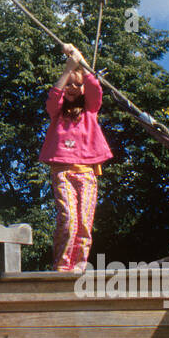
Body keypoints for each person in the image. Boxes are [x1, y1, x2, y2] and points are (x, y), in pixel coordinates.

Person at [40, 43, 112, 272]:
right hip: (63, 171)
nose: (71, 87)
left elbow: (94, 88)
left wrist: (81, 62)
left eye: (76, 84)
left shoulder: (91, 110)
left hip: (87, 172)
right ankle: (61, 265)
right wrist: (67, 69)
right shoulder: (57, 112)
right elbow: (53, 97)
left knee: (84, 222)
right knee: (69, 219)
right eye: (68, 84)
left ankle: (79, 264)